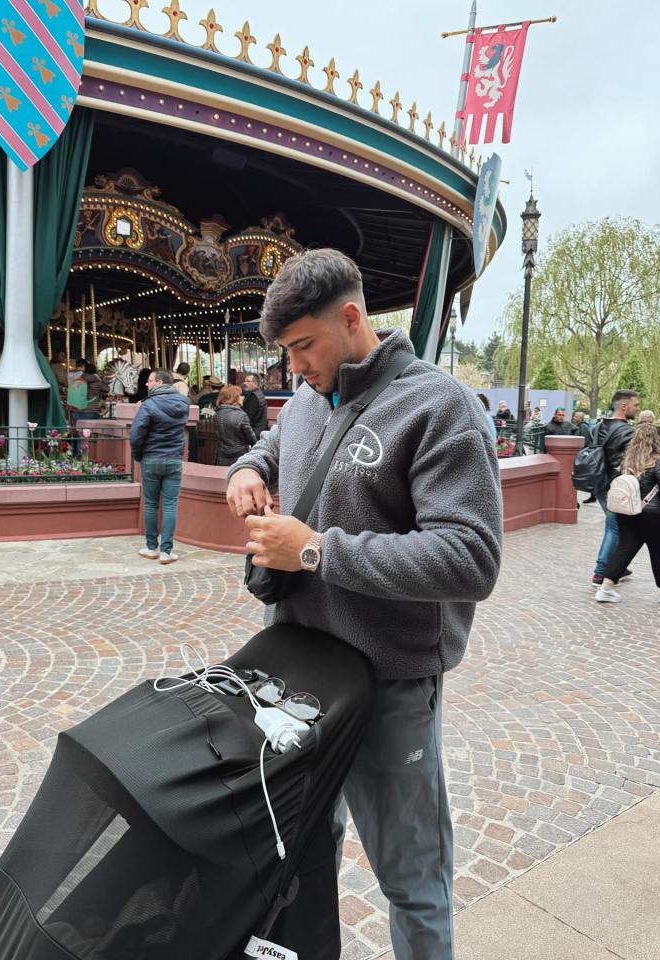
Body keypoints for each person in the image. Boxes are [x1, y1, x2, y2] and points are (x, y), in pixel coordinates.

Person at [225, 248, 502, 960]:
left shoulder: (441, 405)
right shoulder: (309, 401)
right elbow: (273, 441)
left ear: (353, 319)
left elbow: (471, 558)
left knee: (413, 880)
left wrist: (315, 550)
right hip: (297, 678)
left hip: (390, 688)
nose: (295, 367)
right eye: (285, 352)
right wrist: (246, 471)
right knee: (305, 854)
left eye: (303, 346)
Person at [596, 422, 660, 604]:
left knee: (624, 550)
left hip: (628, 514)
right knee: (659, 555)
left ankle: (605, 588)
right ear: (657, 441)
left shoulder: (627, 462)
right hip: (655, 516)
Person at [130, 368, 190, 564]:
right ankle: (167, 551)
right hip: (173, 459)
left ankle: (151, 547)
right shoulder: (183, 403)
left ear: (160, 382)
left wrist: (138, 455)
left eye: (150, 381)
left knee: (151, 504)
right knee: (171, 504)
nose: (147, 384)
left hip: (151, 458)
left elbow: (136, 434)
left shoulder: (148, 405)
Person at [592, 389, 640, 586]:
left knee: (617, 527)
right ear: (623, 406)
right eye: (635, 405)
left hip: (598, 483)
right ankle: (601, 573)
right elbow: (628, 462)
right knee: (615, 529)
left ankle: (618, 567)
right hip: (616, 486)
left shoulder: (598, 426)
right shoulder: (627, 431)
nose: (637, 409)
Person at [214, 384, 256, 466]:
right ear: (234, 397)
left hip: (222, 456)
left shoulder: (217, 414)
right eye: (240, 395)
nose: (242, 397)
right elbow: (252, 440)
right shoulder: (241, 415)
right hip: (240, 457)